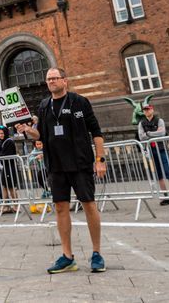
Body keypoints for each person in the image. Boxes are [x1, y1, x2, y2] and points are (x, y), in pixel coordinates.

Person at [17, 67, 107, 274]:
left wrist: (100, 159)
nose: (51, 82)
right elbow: (39, 135)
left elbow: (97, 132)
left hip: (80, 163)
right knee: (60, 208)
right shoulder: (44, 105)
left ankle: (97, 253)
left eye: (55, 78)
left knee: (89, 205)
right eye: (48, 79)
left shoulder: (80, 102)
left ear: (65, 81)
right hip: (55, 165)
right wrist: (27, 130)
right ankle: (67, 256)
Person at [137, 104, 169, 205]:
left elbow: (162, 133)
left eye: (148, 109)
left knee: (168, 172)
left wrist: (148, 133)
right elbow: (141, 137)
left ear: (152, 110)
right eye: (145, 110)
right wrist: (154, 132)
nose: (146, 111)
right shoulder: (141, 123)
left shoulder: (159, 121)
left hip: (161, 149)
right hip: (151, 150)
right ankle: (166, 197)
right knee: (158, 174)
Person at [0, 126, 20, 211]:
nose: (0, 135)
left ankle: (16, 206)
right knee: (5, 186)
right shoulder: (2, 142)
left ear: (5, 133)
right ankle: (5, 205)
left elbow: (6, 154)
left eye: (2, 133)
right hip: (5, 167)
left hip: (10, 167)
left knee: (11, 187)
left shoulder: (9, 141)